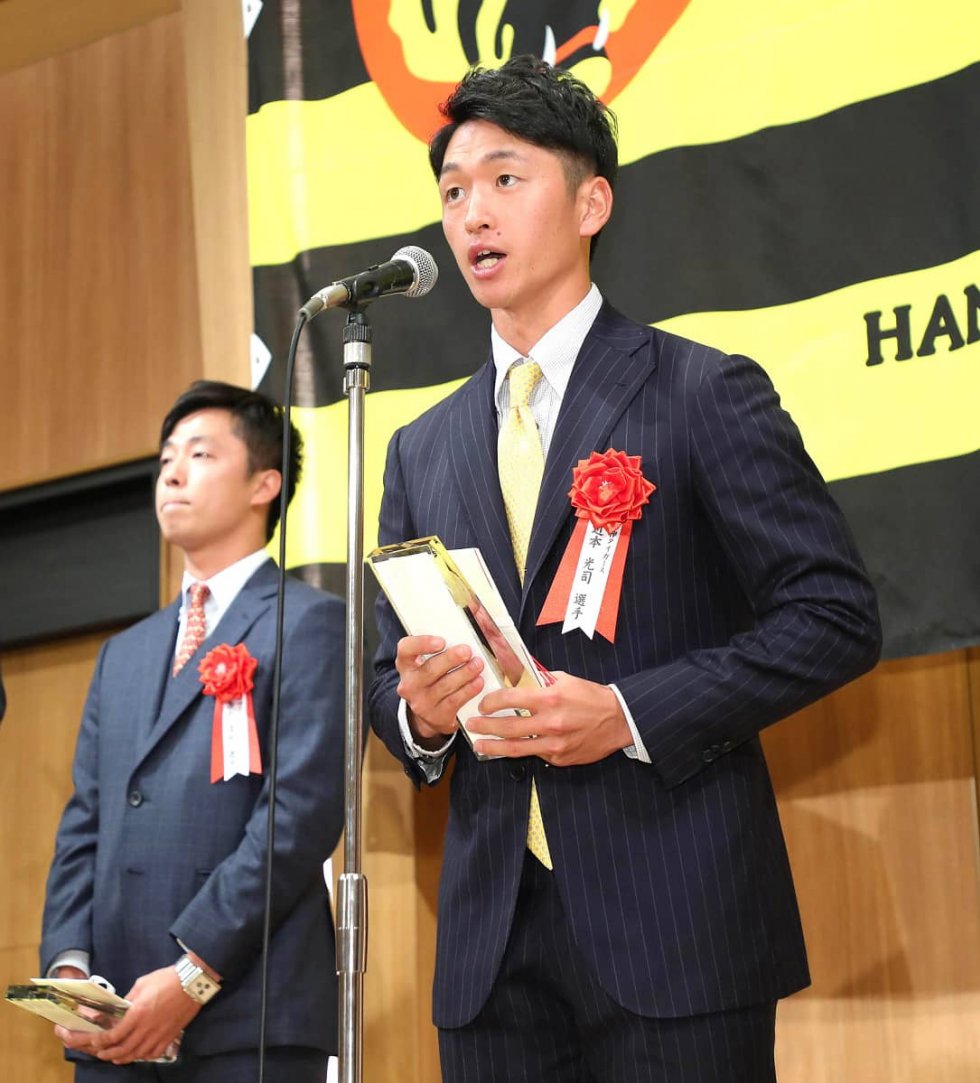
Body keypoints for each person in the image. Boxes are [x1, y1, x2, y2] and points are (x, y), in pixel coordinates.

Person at [368, 56, 882, 1083]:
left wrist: (628, 713)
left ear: (590, 202)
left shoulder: (699, 390)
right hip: (490, 946)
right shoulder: (419, 447)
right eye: (454, 191)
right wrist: (420, 714)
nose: (472, 214)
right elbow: (386, 677)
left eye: (504, 179)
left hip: (675, 917)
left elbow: (832, 616)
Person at [41, 381, 346, 1082]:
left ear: (264, 483)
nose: (172, 473)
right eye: (166, 458)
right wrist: (69, 967)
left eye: (201, 454)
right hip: (114, 1020)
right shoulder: (123, 653)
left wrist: (192, 974)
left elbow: (297, 819)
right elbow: (85, 820)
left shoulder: (310, 623)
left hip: (246, 1018)